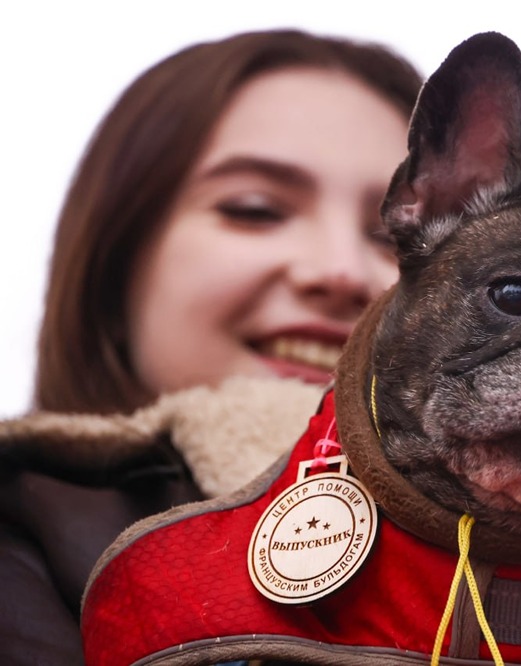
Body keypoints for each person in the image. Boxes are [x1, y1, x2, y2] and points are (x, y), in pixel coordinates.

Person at [0, 29, 423, 664]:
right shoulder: (18, 535)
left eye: (397, 237)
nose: (343, 272)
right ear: (116, 271)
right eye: (255, 209)